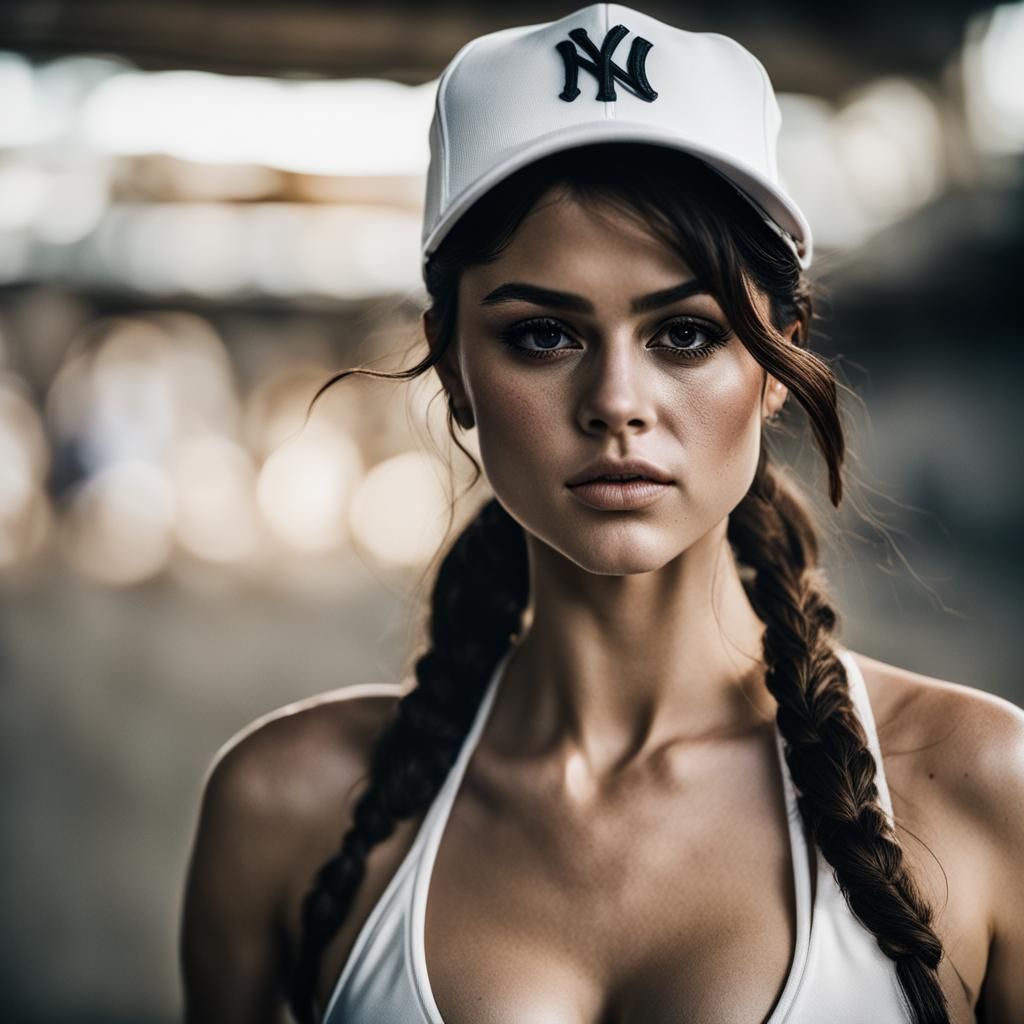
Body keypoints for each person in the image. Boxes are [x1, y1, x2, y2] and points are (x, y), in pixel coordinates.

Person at [179, 5, 1024, 1023]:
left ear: (774, 359)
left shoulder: (979, 790)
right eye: (543, 333)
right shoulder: (285, 811)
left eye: (683, 331)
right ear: (453, 368)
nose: (617, 400)